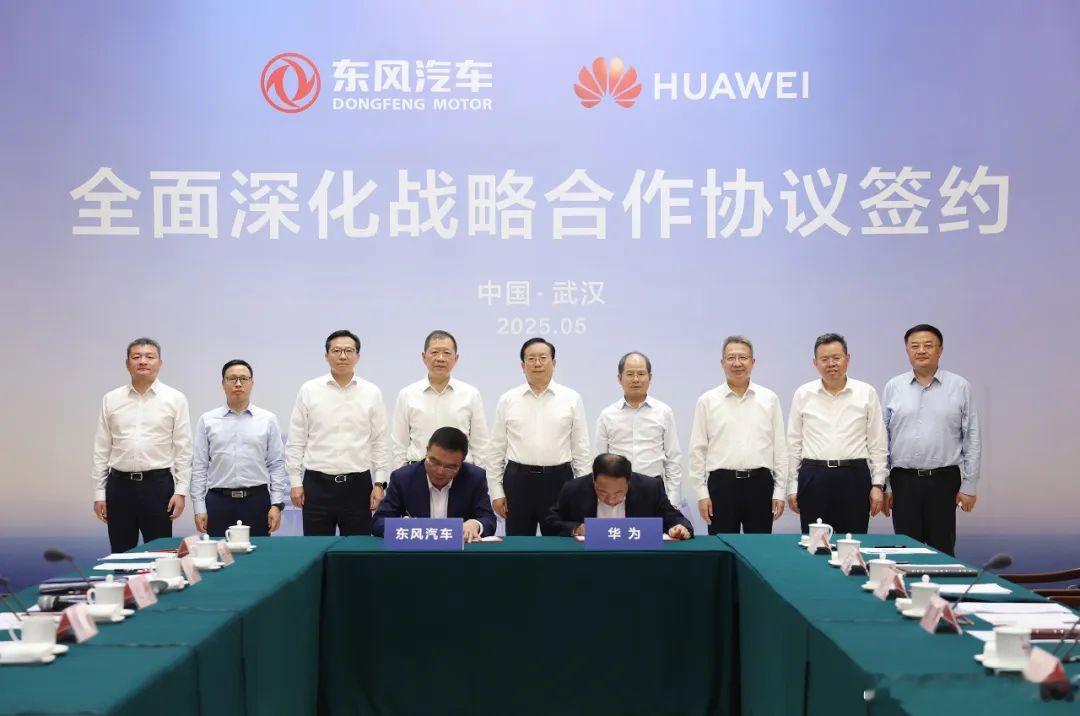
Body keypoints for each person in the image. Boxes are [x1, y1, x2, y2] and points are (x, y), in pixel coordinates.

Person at [883, 324, 981, 555]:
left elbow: (972, 437)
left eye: (928, 345)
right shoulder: (894, 386)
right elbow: (882, 438)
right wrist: (885, 484)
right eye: (915, 346)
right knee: (906, 552)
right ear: (907, 350)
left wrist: (969, 485)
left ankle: (942, 582)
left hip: (943, 481)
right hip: (903, 481)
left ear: (940, 350)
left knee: (943, 551)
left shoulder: (960, 386)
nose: (921, 350)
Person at [91, 338, 191, 552]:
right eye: (136, 357)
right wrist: (99, 493)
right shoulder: (111, 399)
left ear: (160, 363)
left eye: (150, 357)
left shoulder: (175, 399)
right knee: (120, 554)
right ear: (127, 364)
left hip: (158, 486)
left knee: (160, 554)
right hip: (119, 486)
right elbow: (101, 449)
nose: (143, 361)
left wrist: (181, 491)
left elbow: (184, 449)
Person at [285, 330, 390, 536]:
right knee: (316, 549)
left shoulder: (371, 392)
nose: (343, 356)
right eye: (336, 351)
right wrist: (295, 482)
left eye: (349, 351)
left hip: (358, 486)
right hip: (316, 486)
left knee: (357, 549)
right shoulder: (309, 390)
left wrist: (379, 483)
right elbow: (296, 439)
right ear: (326, 355)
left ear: (357, 356)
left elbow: (380, 442)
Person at [487, 337, 590, 536]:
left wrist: (582, 491)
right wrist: (496, 492)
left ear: (554, 363)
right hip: (518, 481)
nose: (537, 363)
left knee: (559, 543)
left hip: (559, 481)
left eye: (543, 358)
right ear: (522, 365)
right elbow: (496, 451)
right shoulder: (508, 399)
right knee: (518, 544)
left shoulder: (571, 398)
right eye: (531, 359)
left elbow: (581, 450)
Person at [787, 333, 888, 534]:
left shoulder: (866, 392)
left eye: (836, 358)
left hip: (854, 477)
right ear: (815, 362)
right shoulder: (803, 394)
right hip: (813, 476)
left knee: (853, 542)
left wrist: (878, 484)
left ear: (847, 359)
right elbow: (794, 443)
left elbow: (877, 443)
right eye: (824, 359)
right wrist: (792, 486)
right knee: (816, 544)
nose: (831, 364)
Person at [689, 336, 787, 534]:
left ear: (753, 361)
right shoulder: (707, 401)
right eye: (731, 358)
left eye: (743, 357)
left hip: (760, 485)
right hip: (721, 486)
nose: (737, 363)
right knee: (722, 546)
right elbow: (697, 450)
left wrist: (779, 491)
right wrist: (701, 494)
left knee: (759, 548)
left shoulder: (769, 399)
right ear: (722, 362)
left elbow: (780, 448)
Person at [191, 360, 288, 538]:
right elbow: (199, 466)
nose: (238, 384)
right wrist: (199, 507)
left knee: (258, 552)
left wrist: (276, 504)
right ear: (223, 383)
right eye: (232, 378)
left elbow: (276, 464)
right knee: (219, 552)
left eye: (243, 378)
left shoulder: (268, 419)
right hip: (218, 502)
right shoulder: (207, 420)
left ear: (252, 383)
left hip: (257, 501)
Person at [372, 427, 497, 541]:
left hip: (459, 554)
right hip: (416, 553)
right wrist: (401, 526)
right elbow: (378, 522)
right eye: (434, 462)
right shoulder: (403, 478)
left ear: (461, 462)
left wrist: (476, 524)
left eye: (450, 467)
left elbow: (488, 519)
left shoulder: (474, 478)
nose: (440, 471)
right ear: (427, 451)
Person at [594, 351, 683, 506]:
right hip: (616, 489)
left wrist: (673, 500)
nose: (636, 379)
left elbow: (673, 459)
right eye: (630, 374)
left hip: (654, 488)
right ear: (619, 378)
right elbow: (598, 460)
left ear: (650, 377)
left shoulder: (664, 412)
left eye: (641, 374)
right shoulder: (607, 415)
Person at [391, 330, 489, 470]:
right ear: (424, 357)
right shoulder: (407, 395)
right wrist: (401, 477)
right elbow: (399, 445)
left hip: (459, 472)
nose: (440, 358)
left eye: (447, 353)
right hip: (419, 470)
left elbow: (480, 445)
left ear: (456, 358)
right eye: (435, 352)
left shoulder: (471, 394)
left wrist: (480, 477)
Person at [542, 453, 693, 539]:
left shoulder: (650, 488)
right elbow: (550, 523)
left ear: (629, 481)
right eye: (602, 492)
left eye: (618, 493)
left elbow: (675, 518)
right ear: (593, 480)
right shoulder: (574, 489)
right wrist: (576, 528)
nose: (611, 499)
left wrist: (679, 528)